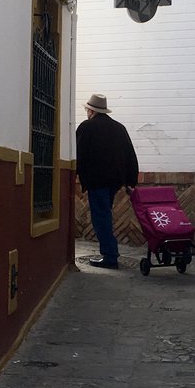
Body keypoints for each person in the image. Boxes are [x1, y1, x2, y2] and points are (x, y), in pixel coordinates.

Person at [76, 93, 139, 269]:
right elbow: (130, 155)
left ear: (91, 110)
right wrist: (130, 180)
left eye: (87, 109)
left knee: (101, 217)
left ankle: (110, 256)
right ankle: (110, 253)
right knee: (105, 214)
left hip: (96, 180)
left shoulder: (86, 127)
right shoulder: (120, 128)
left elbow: (79, 154)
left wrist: (77, 174)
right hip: (115, 181)